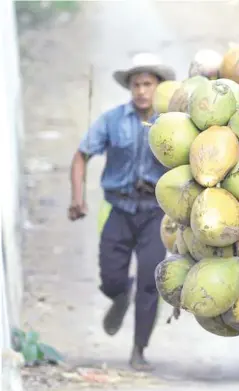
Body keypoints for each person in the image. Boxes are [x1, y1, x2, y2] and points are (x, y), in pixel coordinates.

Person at [67, 53, 176, 371]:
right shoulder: (112, 120)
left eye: (148, 84)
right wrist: (77, 198)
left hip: (155, 213)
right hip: (118, 208)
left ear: (159, 87)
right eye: (136, 84)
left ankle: (139, 350)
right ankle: (118, 293)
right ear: (129, 87)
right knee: (111, 277)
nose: (142, 91)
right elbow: (81, 155)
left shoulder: (172, 124)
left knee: (149, 281)